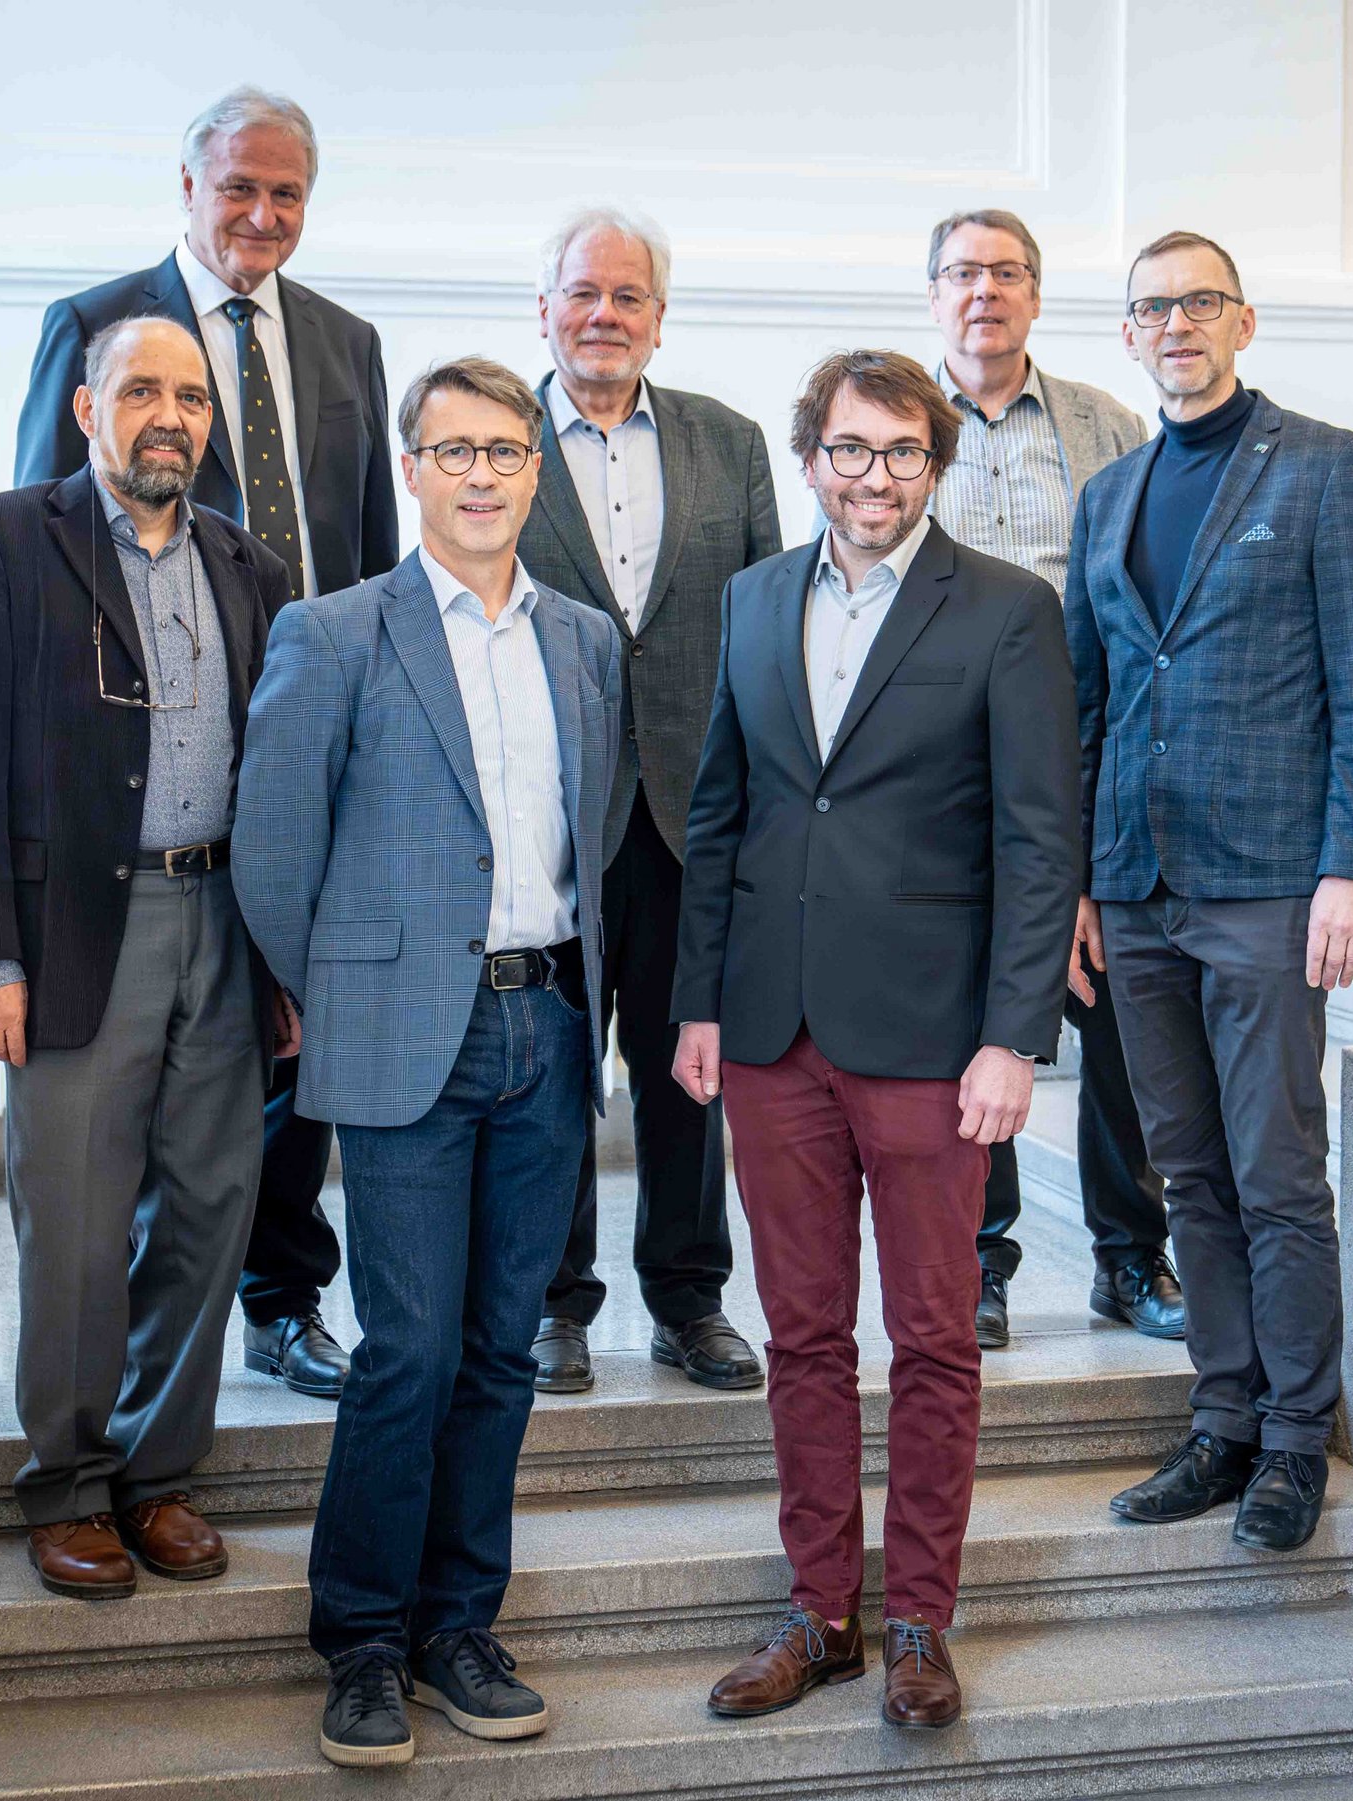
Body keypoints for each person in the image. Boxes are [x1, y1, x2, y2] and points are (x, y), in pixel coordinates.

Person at [672, 350, 1080, 1729]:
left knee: (932, 1337)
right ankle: (818, 1612)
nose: (875, 476)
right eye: (850, 450)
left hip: (929, 1041)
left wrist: (1014, 1037)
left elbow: (1039, 842)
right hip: (773, 1033)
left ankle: (917, 1619)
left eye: (903, 452)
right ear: (811, 458)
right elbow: (719, 815)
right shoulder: (752, 600)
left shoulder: (1010, 614)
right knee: (799, 1334)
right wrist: (700, 1003)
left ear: (935, 463)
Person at [233, 358, 621, 1768]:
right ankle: (361, 1642)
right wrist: (332, 996)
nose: (479, 474)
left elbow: (608, 820)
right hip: (406, 1037)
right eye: (452, 449)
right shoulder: (335, 634)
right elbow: (274, 854)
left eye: (505, 450)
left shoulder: (582, 638)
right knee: (407, 1346)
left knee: (501, 1351)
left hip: (547, 1027)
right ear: (414, 467)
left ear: (535, 470)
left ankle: (460, 1621)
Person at [13, 85, 401, 1401]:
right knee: (142, 1083)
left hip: (316, 755)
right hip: (156, 773)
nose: (261, 213)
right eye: (238, 186)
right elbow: (47, 551)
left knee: (295, 1035)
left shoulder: (349, 343)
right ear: (187, 187)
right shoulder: (96, 324)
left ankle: (284, 1299)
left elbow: (373, 560)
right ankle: (131, 1348)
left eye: (286, 192)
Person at [0, 316, 296, 1599]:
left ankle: (158, 1474)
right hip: (77, 929)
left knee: (208, 1208)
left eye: (191, 396)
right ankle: (68, 1484)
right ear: (88, 411)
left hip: (226, 927)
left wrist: (289, 958)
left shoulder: (251, 565)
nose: (170, 416)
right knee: (76, 1222)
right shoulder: (2, 542)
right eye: (143, 390)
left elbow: (287, 777)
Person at [1067, 232, 1353, 1551]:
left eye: (1198, 302)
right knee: (1185, 1174)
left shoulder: (1329, 469)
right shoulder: (1111, 494)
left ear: (1244, 321)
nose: (1175, 325)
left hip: (1272, 883)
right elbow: (1090, 703)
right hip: (1135, 884)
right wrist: (1083, 887)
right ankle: (1221, 1416)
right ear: (1132, 335)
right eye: (1151, 308)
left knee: (1276, 1173)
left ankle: (1292, 1440)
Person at [521, 207, 780, 1397]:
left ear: (660, 320)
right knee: (551, 1069)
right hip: (542, 812)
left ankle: (689, 1299)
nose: (605, 315)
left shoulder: (729, 444)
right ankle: (551, 1305)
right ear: (546, 309)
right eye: (583, 293)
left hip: (694, 815)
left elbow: (773, 630)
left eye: (629, 297)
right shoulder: (491, 438)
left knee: (690, 1066)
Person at [922, 208, 1181, 1350]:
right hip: (939, 771)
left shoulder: (1107, 424)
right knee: (970, 1017)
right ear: (935, 294)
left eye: (1008, 273)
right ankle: (978, 1258)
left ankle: (1129, 1257)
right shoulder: (894, 422)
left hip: (1088, 751)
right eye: (965, 273)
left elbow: (1143, 604)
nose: (987, 291)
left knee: (1117, 1007)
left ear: (1035, 295)